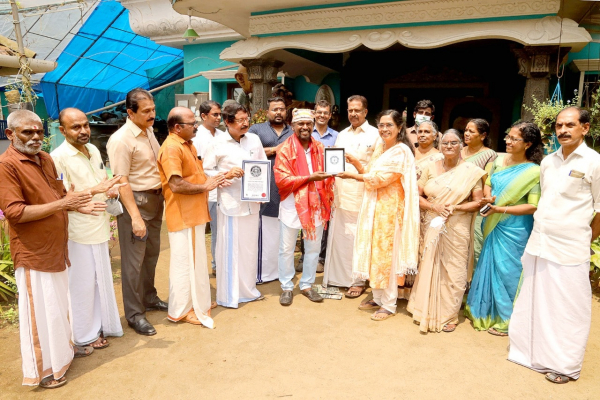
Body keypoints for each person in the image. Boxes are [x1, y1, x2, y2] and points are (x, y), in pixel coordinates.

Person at [0, 110, 107, 389]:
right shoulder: (7, 165)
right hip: (34, 253)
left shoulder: (46, 159)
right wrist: (64, 205)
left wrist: (80, 204)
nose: (36, 137)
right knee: (40, 313)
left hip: (57, 248)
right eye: (27, 132)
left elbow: (60, 196)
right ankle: (44, 370)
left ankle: (63, 356)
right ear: (10, 134)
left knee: (59, 307)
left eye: (38, 132)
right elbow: (15, 213)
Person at [508, 107, 600, 384]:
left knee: (570, 307)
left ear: (584, 128)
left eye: (570, 125)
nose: (563, 130)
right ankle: (532, 354)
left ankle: (565, 365)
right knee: (537, 300)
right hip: (540, 243)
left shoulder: (594, 162)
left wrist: (586, 239)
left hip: (571, 247)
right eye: (559, 125)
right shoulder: (548, 162)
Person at [51, 108, 124, 351]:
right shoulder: (58, 157)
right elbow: (63, 196)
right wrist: (96, 190)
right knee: (81, 284)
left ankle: (100, 325)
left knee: (98, 280)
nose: (83, 131)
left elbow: (100, 180)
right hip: (78, 231)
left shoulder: (93, 150)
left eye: (85, 125)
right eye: (75, 127)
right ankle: (83, 336)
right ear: (62, 130)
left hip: (99, 225)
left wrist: (109, 190)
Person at [337, 110, 420, 320]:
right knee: (373, 252)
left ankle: (389, 303)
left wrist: (353, 175)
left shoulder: (401, 151)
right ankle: (377, 295)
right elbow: (371, 171)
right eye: (381, 125)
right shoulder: (381, 148)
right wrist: (356, 164)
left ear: (399, 128)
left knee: (388, 256)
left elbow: (379, 178)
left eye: (389, 125)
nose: (384, 129)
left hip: (391, 210)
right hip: (374, 207)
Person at [464, 122, 543, 336]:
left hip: (514, 228)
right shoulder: (498, 160)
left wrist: (500, 208)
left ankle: (507, 318)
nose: (507, 141)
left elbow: (533, 206)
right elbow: (488, 181)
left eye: (514, 139)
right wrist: (489, 196)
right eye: (508, 136)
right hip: (491, 219)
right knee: (486, 262)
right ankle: (484, 309)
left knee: (509, 271)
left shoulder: (534, 171)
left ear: (527, 144)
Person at [407, 130, 485, 333]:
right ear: (440, 145)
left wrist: (455, 208)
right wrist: (435, 208)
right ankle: (423, 308)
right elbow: (418, 195)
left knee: (454, 268)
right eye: (445, 143)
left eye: (454, 142)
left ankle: (449, 314)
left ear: (461, 145)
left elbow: (477, 201)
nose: (449, 146)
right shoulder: (430, 167)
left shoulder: (471, 171)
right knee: (429, 264)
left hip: (457, 224)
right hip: (432, 222)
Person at [158, 107, 227, 328]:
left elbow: (197, 175)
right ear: (178, 128)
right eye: (192, 123)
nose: (196, 126)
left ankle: (199, 301)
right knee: (183, 264)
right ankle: (182, 310)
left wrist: (214, 180)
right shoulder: (171, 148)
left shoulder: (187, 144)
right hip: (182, 214)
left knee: (195, 261)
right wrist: (204, 186)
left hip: (194, 213)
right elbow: (176, 184)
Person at [106, 88, 167, 336]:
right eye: (146, 111)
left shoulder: (148, 131)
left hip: (154, 201)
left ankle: (149, 298)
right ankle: (134, 314)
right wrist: (135, 217)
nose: (152, 114)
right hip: (136, 205)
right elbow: (121, 181)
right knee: (133, 263)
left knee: (150, 256)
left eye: (153, 109)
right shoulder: (122, 140)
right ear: (130, 113)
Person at [203, 102, 267, 308]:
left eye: (246, 119)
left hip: (252, 203)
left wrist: (262, 192)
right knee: (230, 250)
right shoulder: (217, 143)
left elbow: (263, 167)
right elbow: (205, 170)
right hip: (230, 203)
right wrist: (225, 175)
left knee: (249, 249)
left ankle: (248, 290)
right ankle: (229, 295)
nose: (245, 123)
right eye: (240, 121)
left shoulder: (254, 140)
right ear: (227, 122)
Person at [273, 109, 334, 306]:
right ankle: (287, 286)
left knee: (313, 248)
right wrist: (309, 178)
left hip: (315, 205)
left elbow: (329, 171)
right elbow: (281, 180)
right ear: (293, 126)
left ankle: (307, 284)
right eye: (301, 124)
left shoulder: (320, 147)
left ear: (313, 125)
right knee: (286, 248)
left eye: (309, 123)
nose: (305, 127)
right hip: (292, 205)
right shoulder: (284, 149)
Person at [322, 95, 380, 297]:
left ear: (365, 112)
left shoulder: (375, 135)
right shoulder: (342, 134)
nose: (353, 114)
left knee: (358, 238)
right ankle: (338, 278)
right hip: (340, 194)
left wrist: (356, 164)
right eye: (350, 110)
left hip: (361, 195)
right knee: (340, 238)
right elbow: (334, 162)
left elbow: (376, 169)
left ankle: (357, 280)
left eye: (357, 110)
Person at [249, 97, 293, 283]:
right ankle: (263, 273)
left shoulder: (293, 130)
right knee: (264, 232)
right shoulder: (256, 130)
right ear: (267, 111)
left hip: (287, 189)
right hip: (263, 188)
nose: (278, 112)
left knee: (284, 233)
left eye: (282, 109)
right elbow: (250, 153)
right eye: (275, 109)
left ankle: (281, 271)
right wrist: (276, 149)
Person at [192, 100, 225, 276]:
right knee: (198, 230)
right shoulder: (196, 138)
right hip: (203, 190)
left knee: (218, 230)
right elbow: (197, 166)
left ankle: (217, 265)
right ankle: (196, 269)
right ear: (204, 116)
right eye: (215, 114)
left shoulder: (222, 135)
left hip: (222, 190)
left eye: (220, 114)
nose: (219, 118)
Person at [462, 118, 497, 266]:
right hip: (453, 202)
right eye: (466, 130)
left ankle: (474, 282)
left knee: (475, 243)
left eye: (471, 131)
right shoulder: (458, 150)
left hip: (475, 205)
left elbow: (487, 180)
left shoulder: (490, 155)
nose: (466, 134)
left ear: (482, 136)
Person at [312, 100, 339, 270]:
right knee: (306, 218)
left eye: (325, 113)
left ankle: (321, 258)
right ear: (314, 113)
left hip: (329, 186)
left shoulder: (337, 136)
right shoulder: (306, 132)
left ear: (330, 115)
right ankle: (305, 258)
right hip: (309, 183)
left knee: (325, 220)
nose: (322, 115)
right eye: (319, 112)